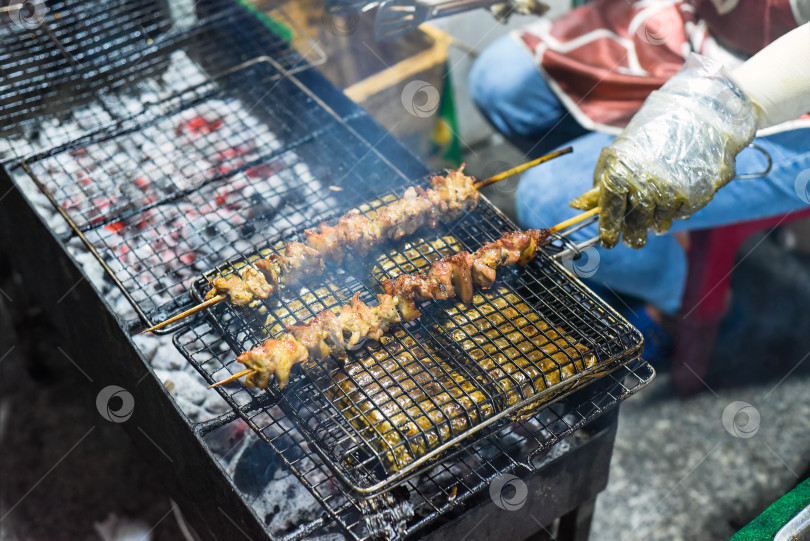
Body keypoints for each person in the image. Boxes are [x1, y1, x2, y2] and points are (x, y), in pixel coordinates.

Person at [468, 1, 810, 345]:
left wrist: (716, 115)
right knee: (500, 81)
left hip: (793, 85)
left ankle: (695, 308)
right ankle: (635, 241)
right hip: (704, 34)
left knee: (552, 199)